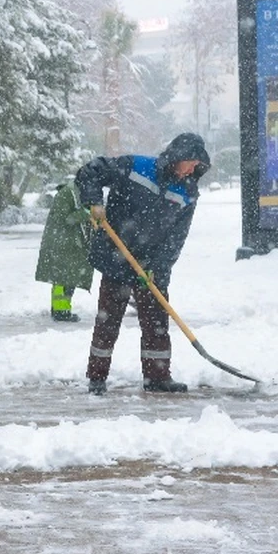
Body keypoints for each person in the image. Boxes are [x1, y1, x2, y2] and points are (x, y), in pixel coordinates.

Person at [76, 133, 210, 396]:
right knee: (108, 320)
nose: (192, 169)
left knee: (157, 323)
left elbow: (175, 239)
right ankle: (97, 378)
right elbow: (90, 172)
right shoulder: (136, 167)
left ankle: (158, 377)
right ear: (177, 157)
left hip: (151, 265)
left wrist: (158, 269)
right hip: (118, 255)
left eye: (197, 166)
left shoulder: (188, 193)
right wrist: (93, 201)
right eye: (190, 163)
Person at [34, 182, 93, 322]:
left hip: (65, 243)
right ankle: (61, 311)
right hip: (64, 244)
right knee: (64, 278)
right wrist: (87, 212)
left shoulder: (73, 192)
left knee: (64, 278)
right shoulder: (71, 193)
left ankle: (60, 309)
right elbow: (69, 218)